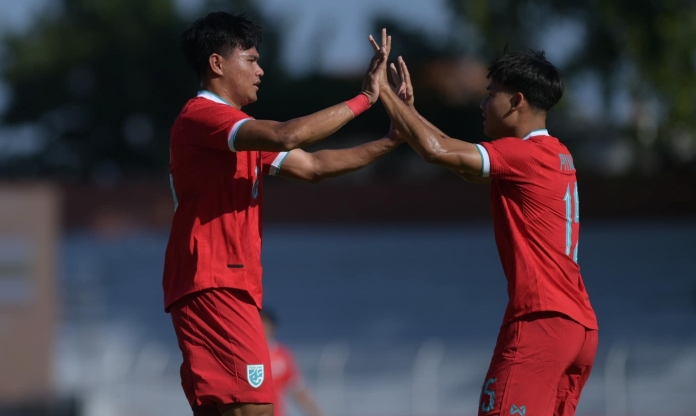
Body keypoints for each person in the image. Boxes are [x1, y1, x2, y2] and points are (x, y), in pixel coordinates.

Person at [163, 13, 400, 416]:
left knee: (230, 410)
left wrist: (393, 140)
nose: (261, 70)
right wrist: (365, 99)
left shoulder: (236, 131)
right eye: (251, 59)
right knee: (255, 406)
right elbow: (287, 134)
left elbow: (313, 167)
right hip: (214, 281)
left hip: (226, 283)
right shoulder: (203, 117)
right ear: (217, 64)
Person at [370, 31, 599, 416]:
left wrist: (382, 92)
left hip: (539, 321)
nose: (482, 103)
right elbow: (453, 158)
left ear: (516, 101)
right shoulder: (557, 154)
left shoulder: (523, 155)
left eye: (490, 93)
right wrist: (409, 113)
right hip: (579, 327)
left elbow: (436, 149)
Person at [260, 309, 325, 416]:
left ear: (273, 327)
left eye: (266, 324)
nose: (263, 328)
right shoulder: (245, 354)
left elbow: (297, 387)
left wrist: (317, 412)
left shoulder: (282, 355)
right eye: (260, 324)